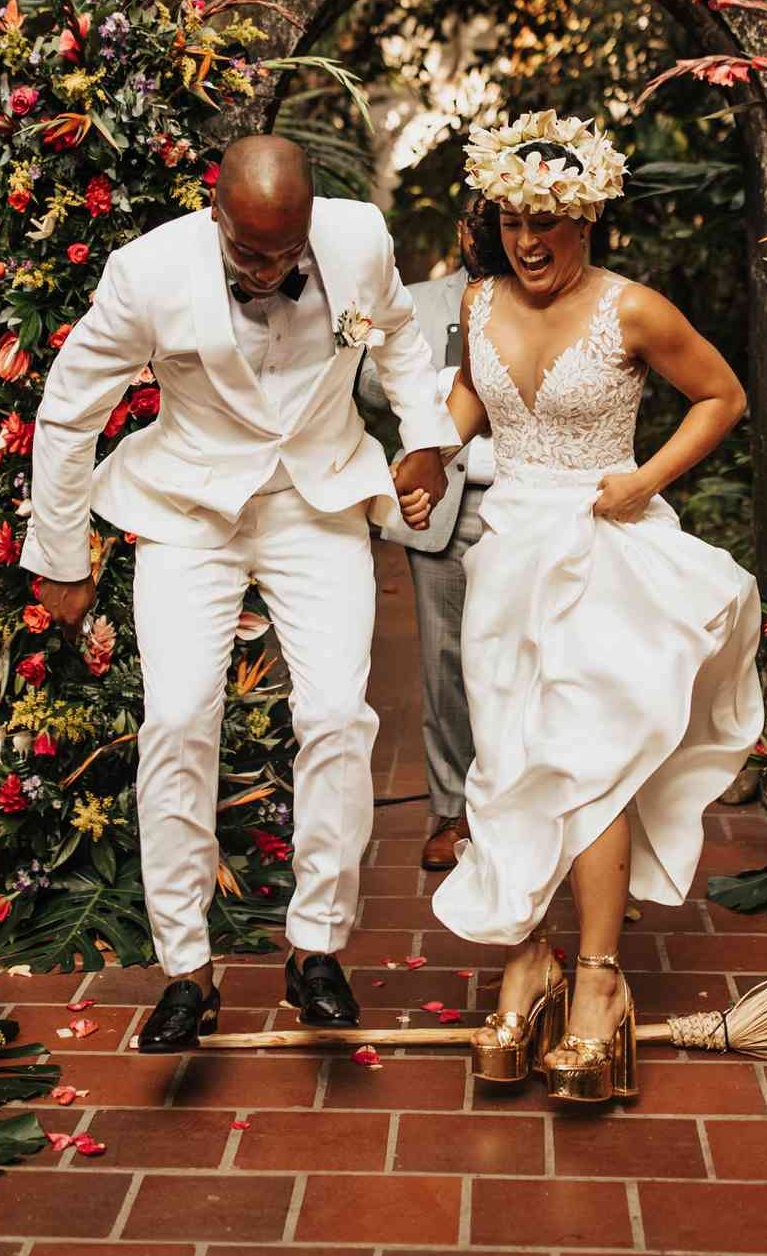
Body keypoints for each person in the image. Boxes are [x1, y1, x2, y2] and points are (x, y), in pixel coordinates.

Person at [22, 136, 458, 1052]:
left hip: (318, 497)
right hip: (192, 509)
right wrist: (61, 555)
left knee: (340, 715)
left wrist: (425, 435)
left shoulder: (358, 238)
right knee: (179, 718)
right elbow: (68, 409)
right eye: (251, 252)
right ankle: (186, 968)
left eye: (287, 251)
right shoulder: (145, 274)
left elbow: (402, 341)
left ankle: (316, 950)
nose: (272, 269)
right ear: (214, 210)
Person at [402, 111, 765, 1103]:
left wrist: (645, 478)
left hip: (608, 543)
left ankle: (599, 978)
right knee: (511, 756)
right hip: (510, 553)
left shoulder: (633, 310)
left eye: (548, 225)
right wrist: (430, 453)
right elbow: (475, 401)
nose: (528, 242)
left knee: (593, 758)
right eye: (514, 221)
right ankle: (529, 956)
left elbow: (723, 398)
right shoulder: (478, 303)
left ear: (590, 219)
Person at [356, 198, 490, 872]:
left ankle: (530, 811)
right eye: (480, 223)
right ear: (464, 229)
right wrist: (429, 384)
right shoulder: (416, 300)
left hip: (539, 498)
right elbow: (372, 389)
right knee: (447, 668)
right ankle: (451, 810)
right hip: (448, 501)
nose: (491, 236)